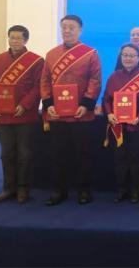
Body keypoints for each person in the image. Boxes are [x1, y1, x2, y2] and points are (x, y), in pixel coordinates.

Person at [41, 15, 102, 206]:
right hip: (57, 115)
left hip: (81, 115)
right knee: (58, 155)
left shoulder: (90, 53)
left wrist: (86, 104)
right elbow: (45, 81)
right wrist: (49, 104)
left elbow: (95, 80)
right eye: (64, 27)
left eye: (71, 27)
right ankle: (59, 191)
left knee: (83, 155)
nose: (67, 31)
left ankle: (84, 191)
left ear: (80, 30)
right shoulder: (51, 54)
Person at [0, 25, 44, 204]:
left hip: (24, 115)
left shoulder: (36, 61)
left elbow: (38, 87)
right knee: (6, 153)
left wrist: (24, 105)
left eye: (19, 38)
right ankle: (8, 188)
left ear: (26, 40)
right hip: (3, 116)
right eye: (12, 37)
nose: (15, 41)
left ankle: (23, 189)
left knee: (24, 154)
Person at [102, 43, 139, 204]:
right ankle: (121, 190)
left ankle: (136, 191)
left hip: (138, 125)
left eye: (131, 55)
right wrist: (109, 114)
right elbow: (106, 99)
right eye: (125, 55)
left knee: (137, 160)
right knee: (120, 160)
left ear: (138, 58)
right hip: (118, 126)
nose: (128, 58)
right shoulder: (113, 77)